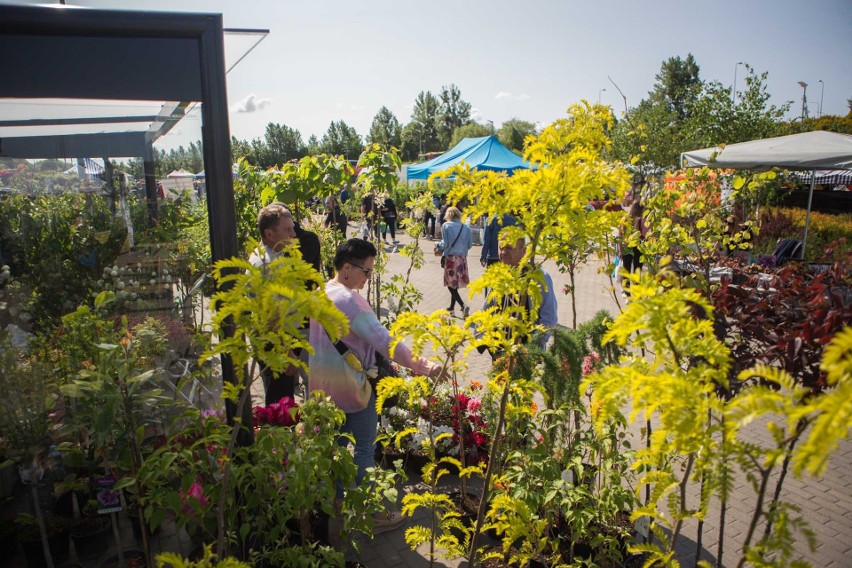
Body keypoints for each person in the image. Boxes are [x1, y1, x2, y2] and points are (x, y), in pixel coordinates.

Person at [308, 239, 442, 531]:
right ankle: (371, 514)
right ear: (346, 268)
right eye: (366, 271)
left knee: (338, 448)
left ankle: (340, 503)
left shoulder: (321, 293)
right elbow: (386, 342)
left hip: (323, 389)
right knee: (363, 450)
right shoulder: (350, 300)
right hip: (353, 389)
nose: (368, 278)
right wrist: (425, 366)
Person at [249, 203, 317, 404]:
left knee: (281, 402)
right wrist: (287, 353)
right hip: (276, 347)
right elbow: (270, 317)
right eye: (288, 230)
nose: (295, 234)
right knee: (280, 406)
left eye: (293, 228)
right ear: (269, 234)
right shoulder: (269, 265)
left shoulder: (271, 255)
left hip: (279, 343)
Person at [479, 236, 558, 357]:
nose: (504, 252)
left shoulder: (538, 277)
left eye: (509, 248)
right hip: (499, 350)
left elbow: (549, 317)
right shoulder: (499, 274)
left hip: (525, 352)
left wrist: (534, 347)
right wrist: (482, 339)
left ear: (523, 250)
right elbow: (488, 307)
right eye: (501, 248)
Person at [437, 206, 472, 317]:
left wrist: (437, 244)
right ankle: (451, 308)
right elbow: (470, 245)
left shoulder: (446, 226)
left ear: (449, 215)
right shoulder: (466, 227)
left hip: (451, 258)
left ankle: (463, 305)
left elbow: (445, 244)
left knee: (450, 284)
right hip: (462, 259)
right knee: (454, 285)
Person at [619, 191, 647, 297]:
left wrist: (620, 250)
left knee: (626, 269)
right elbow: (645, 234)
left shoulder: (625, 219)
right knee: (637, 269)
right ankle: (636, 291)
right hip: (638, 246)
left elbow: (620, 236)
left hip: (626, 246)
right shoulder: (641, 220)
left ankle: (626, 292)